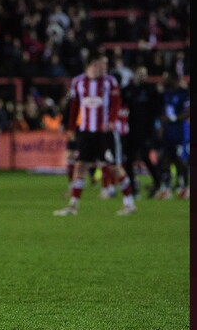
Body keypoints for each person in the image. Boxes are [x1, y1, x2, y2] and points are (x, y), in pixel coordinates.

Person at [54, 56, 137, 216]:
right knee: (80, 166)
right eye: (97, 65)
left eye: (103, 65)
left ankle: (129, 204)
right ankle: (73, 206)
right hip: (86, 132)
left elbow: (116, 102)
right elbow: (74, 106)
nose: (101, 68)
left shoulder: (110, 82)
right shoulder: (78, 82)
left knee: (114, 167)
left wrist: (112, 120)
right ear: (89, 66)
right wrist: (71, 128)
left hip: (105, 132)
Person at [120, 66, 164, 198]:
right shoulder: (129, 90)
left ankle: (157, 184)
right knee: (129, 160)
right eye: (139, 73)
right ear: (135, 75)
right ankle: (133, 188)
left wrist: (156, 127)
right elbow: (121, 105)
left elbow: (158, 108)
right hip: (131, 131)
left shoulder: (151, 90)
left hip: (146, 131)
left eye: (144, 74)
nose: (141, 76)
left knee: (146, 157)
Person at [155, 72, 190, 199]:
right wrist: (160, 126)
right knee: (166, 159)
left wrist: (172, 118)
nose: (164, 80)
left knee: (181, 159)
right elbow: (163, 112)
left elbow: (187, 112)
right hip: (167, 132)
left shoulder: (184, 93)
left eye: (167, 78)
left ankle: (185, 187)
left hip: (180, 132)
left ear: (174, 79)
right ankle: (168, 187)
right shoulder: (166, 94)